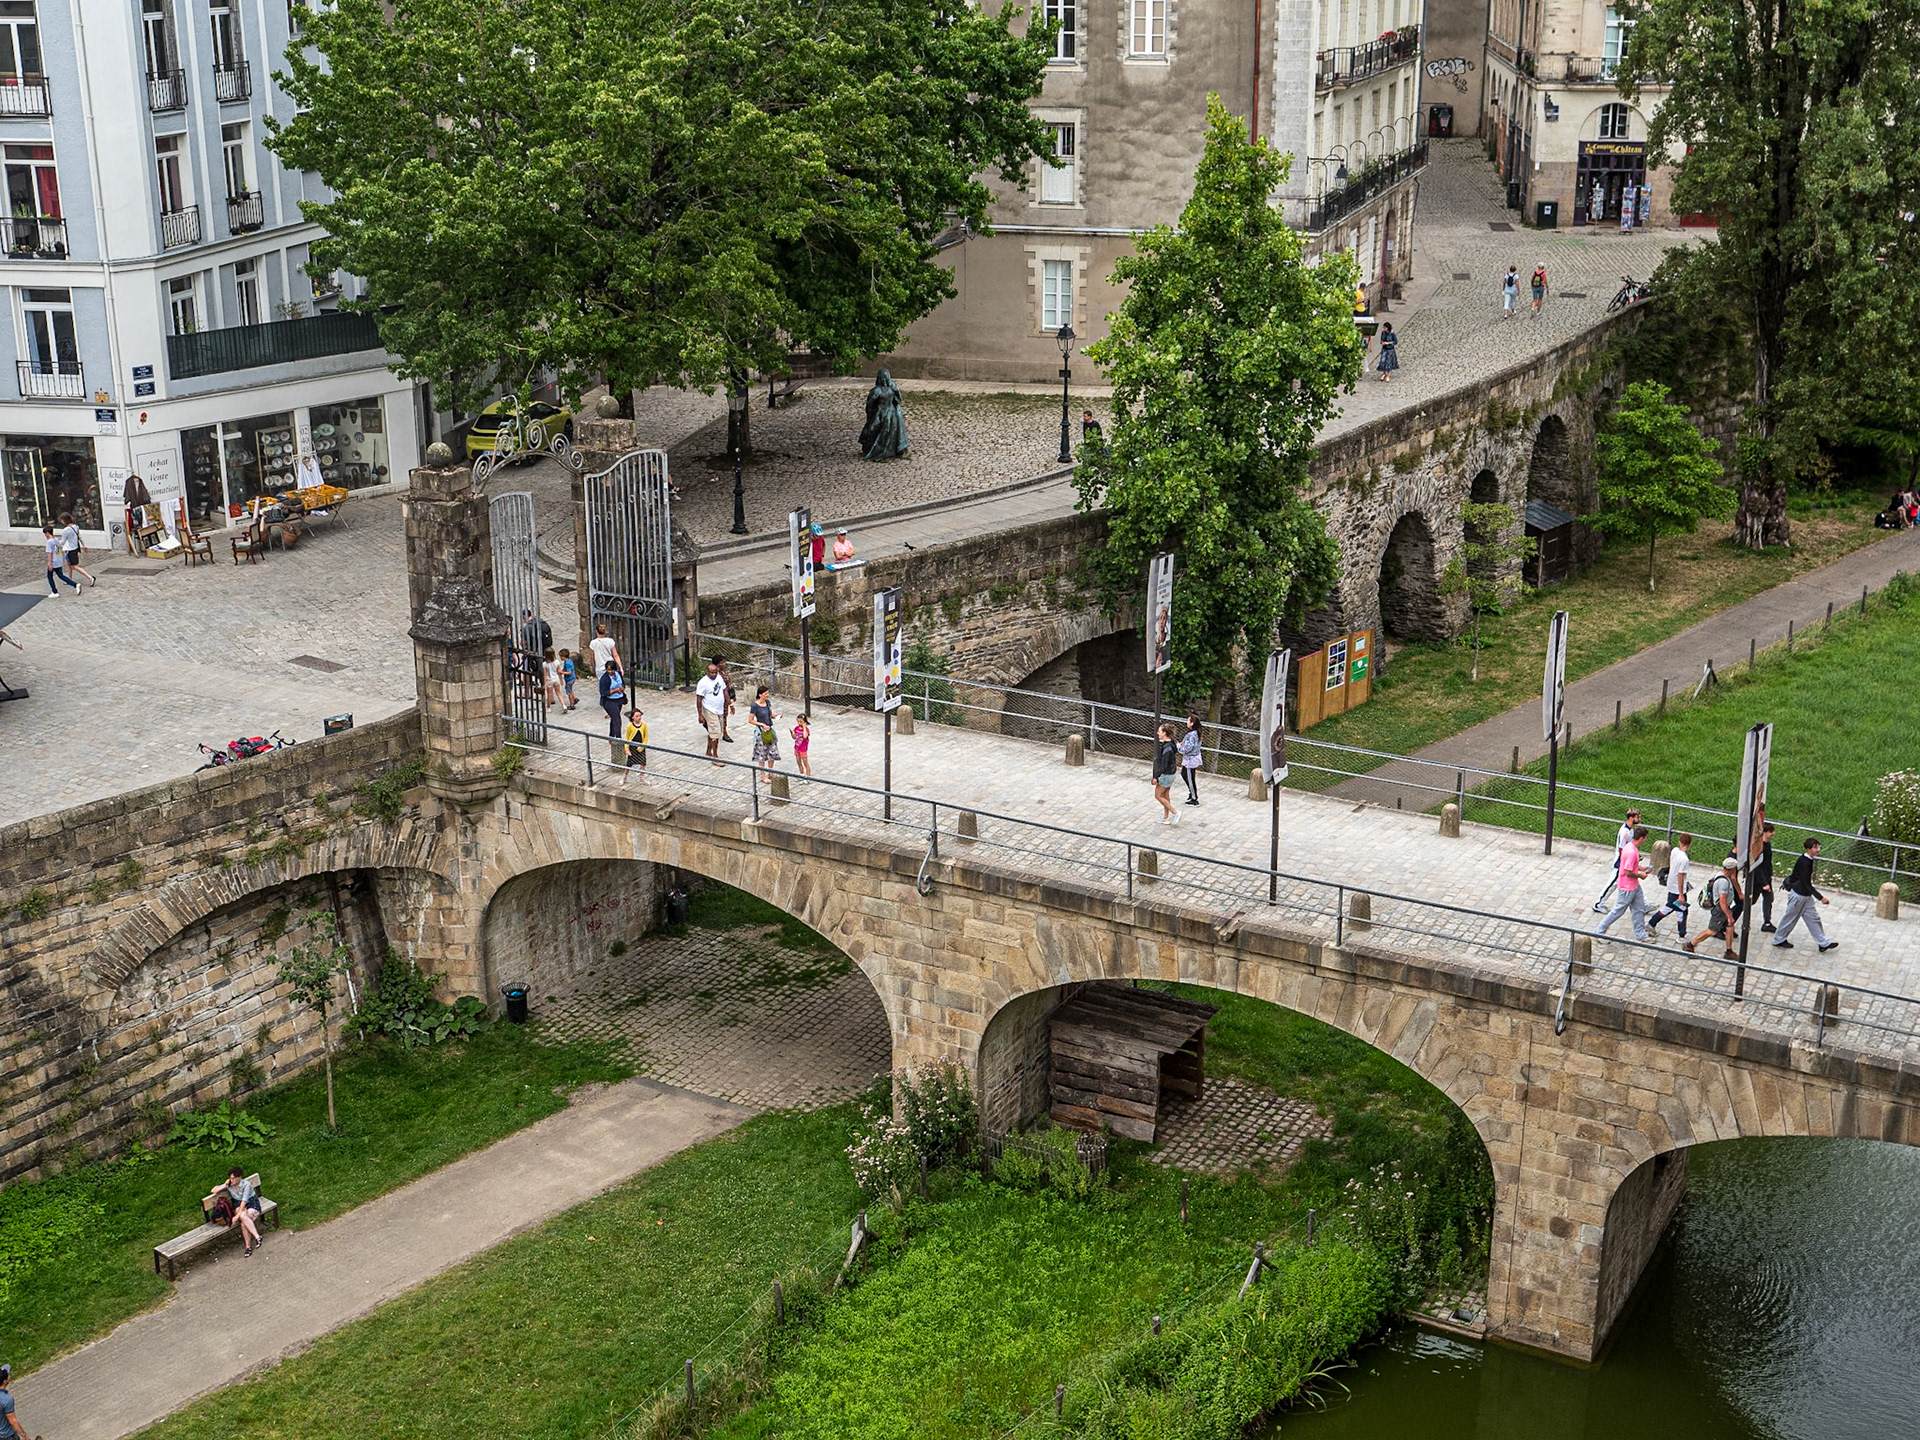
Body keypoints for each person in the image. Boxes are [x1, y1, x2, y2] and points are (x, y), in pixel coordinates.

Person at [1771, 837, 1835, 952]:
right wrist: (1821, 898)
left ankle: (1823, 943)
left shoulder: (1807, 860)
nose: (1818, 849)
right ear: (1808, 849)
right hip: (1799, 896)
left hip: (1805, 896)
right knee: (1790, 918)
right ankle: (1778, 939)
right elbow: (1806, 883)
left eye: (1819, 847)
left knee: (1813, 918)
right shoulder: (1805, 862)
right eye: (1815, 847)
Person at [1594, 824, 1652, 941]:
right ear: (1641, 838)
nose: (1646, 840)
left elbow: (1630, 866)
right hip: (1627, 887)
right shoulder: (1631, 852)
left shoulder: (1629, 847)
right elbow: (1628, 872)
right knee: (1618, 911)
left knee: (1639, 909)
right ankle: (1599, 931)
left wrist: (1641, 868)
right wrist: (1640, 875)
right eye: (1645, 838)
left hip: (1634, 886)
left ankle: (1641, 934)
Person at [1684, 855, 1743, 960]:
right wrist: (1729, 915)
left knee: (1730, 927)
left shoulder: (1720, 874)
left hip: (1724, 909)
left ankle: (1729, 952)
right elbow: (1722, 901)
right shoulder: (1723, 882)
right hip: (1721, 910)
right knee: (1712, 931)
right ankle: (1690, 944)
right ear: (1732, 869)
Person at [210, 1167, 264, 1256]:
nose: (232, 1180)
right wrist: (224, 1185)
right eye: (231, 1178)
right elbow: (214, 1190)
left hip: (250, 1202)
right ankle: (257, 1237)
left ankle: (248, 1247)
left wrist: (236, 1216)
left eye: (234, 1178)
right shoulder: (229, 1184)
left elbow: (244, 1201)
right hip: (238, 1204)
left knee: (243, 1222)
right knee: (244, 1218)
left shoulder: (246, 1184)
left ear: (239, 1177)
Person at [1593, 809, 1640, 912]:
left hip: (1624, 861)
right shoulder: (1625, 832)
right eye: (1637, 817)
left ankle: (1643, 904)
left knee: (1634, 883)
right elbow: (1621, 848)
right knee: (1612, 883)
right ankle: (1598, 903)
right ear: (1631, 818)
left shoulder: (1630, 829)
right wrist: (1627, 860)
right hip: (1621, 862)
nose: (1639, 819)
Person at [857, 368, 909, 461]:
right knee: (878, 431)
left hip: (883, 413)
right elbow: (898, 399)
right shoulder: (884, 389)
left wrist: (870, 414)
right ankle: (882, 450)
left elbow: (870, 404)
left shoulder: (879, 390)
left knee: (877, 431)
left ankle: (883, 450)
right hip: (887, 413)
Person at [1647, 832, 1691, 938]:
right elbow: (1680, 877)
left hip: (1671, 885)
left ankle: (1681, 933)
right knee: (1677, 909)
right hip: (1678, 889)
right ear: (1690, 844)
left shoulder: (1675, 851)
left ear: (1679, 842)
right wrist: (1681, 894)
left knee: (1677, 908)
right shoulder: (1684, 860)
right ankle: (1681, 934)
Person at [695, 659, 728, 763]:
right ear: (707, 672)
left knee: (714, 731)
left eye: (715, 672)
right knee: (716, 733)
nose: (714, 674)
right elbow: (699, 699)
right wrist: (700, 715)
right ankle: (715, 756)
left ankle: (708, 751)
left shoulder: (719, 678)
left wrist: (729, 704)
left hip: (719, 709)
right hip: (709, 710)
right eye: (711, 672)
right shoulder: (703, 683)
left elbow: (724, 690)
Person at [598, 657, 627, 763]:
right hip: (609, 701)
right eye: (608, 670)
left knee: (614, 719)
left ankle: (611, 736)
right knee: (617, 719)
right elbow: (603, 692)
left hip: (619, 699)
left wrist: (622, 688)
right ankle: (618, 739)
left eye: (611, 669)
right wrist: (614, 690)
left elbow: (623, 683)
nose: (610, 671)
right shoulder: (604, 679)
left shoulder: (618, 674)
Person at [1750, 822, 1776, 931]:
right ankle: (1729, 917)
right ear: (1764, 833)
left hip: (1766, 878)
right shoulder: (1760, 847)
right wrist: (1764, 883)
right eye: (1770, 832)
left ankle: (1767, 922)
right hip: (1759, 880)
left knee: (1768, 898)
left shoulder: (1767, 845)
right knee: (1750, 901)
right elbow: (1758, 866)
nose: (1773, 834)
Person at [58, 511, 96, 588]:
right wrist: (84, 546)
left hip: (69, 549)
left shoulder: (66, 530)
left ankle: (90, 577)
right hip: (75, 548)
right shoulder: (76, 527)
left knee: (74, 566)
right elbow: (79, 537)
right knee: (68, 564)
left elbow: (63, 541)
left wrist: (56, 544)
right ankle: (69, 579)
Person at [1151, 724, 1180, 825]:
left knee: (1158, 795)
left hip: (1166, 775)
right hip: (1172, 773)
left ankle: (1175, 812)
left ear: (1164, 733)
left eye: (1159, 731)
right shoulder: (1171, 743)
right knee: (1165, 795)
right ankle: (1166, 817)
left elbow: (1163, 765)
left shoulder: (1167, 748)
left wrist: (1156, 776)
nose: (1157, 733)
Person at [43, 523, 79, 595]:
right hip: (58, 561)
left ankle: (54, 591)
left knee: (50, 577)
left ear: (47, 533)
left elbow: (49, 553)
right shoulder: (56, 539)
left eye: (45, 534)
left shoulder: (49, 542)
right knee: (61, 575)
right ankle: (75, 584)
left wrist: (49, 563)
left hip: (53, 562)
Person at [749, 685, 781, 769]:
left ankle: (770, 771)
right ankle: (763, 775)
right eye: (765, 693)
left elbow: (770, 715)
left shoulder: (767, 703)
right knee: (761, 754)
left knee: (772, 752)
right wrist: (762, 724)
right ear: (760, 695)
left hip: (770, 729)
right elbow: (750, 720)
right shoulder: (755, 706)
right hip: (761, 732)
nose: (767, 695)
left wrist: (776, 716)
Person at [1178, 714, 1203, 806]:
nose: (1186, 722)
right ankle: (1191, 793)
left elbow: (1188, 748)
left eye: (1188, 720)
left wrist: (1179, 747)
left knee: (1190, 778)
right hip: (1192, 758)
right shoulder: (1196, 733)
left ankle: (1194, 798)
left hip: (1190, 760)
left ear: (1192, 723)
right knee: (1185, 774)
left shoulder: (1192, 734)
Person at [622, 705, 648, 782]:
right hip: (632, 746)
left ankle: (642, 777)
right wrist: (626, 749)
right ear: (633, 717)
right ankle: (624, 777)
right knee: (629, 763)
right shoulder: (630, 726)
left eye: (640, 716)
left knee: (643, 762)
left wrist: (642, 746)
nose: (639, 717)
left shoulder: (644, 725)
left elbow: (645, 737)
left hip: (640, 746)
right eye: (637, 716)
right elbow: (627, 738)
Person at [0, 1361, 24, 1440]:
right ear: (5, 1381)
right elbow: (13, 1421)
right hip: (7, 1435)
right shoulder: (7, 1400)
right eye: (8, 1375)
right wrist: (25, 1436)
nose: (10, 1376)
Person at [715, 657, 737, 742]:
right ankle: (724, 733)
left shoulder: (724, 673)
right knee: (719, 715)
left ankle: (724, 731)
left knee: (724, 715)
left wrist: (732, 695)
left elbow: (728, 685)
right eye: (722, 663)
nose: (724, 664)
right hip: (719, 698)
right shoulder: (716, 674)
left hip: (725, 698)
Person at [791, 713, 812, 777]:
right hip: (797, 747)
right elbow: (794, 737)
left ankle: (808, 776)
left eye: (801, 722)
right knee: (798, 762)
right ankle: (801, 774)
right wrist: (792, 733)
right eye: (798, 721)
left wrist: (804, 727)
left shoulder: (806, 730)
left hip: (803, 748)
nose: (799, 723)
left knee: (805, 762)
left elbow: (805, 736)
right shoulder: (796, 728)